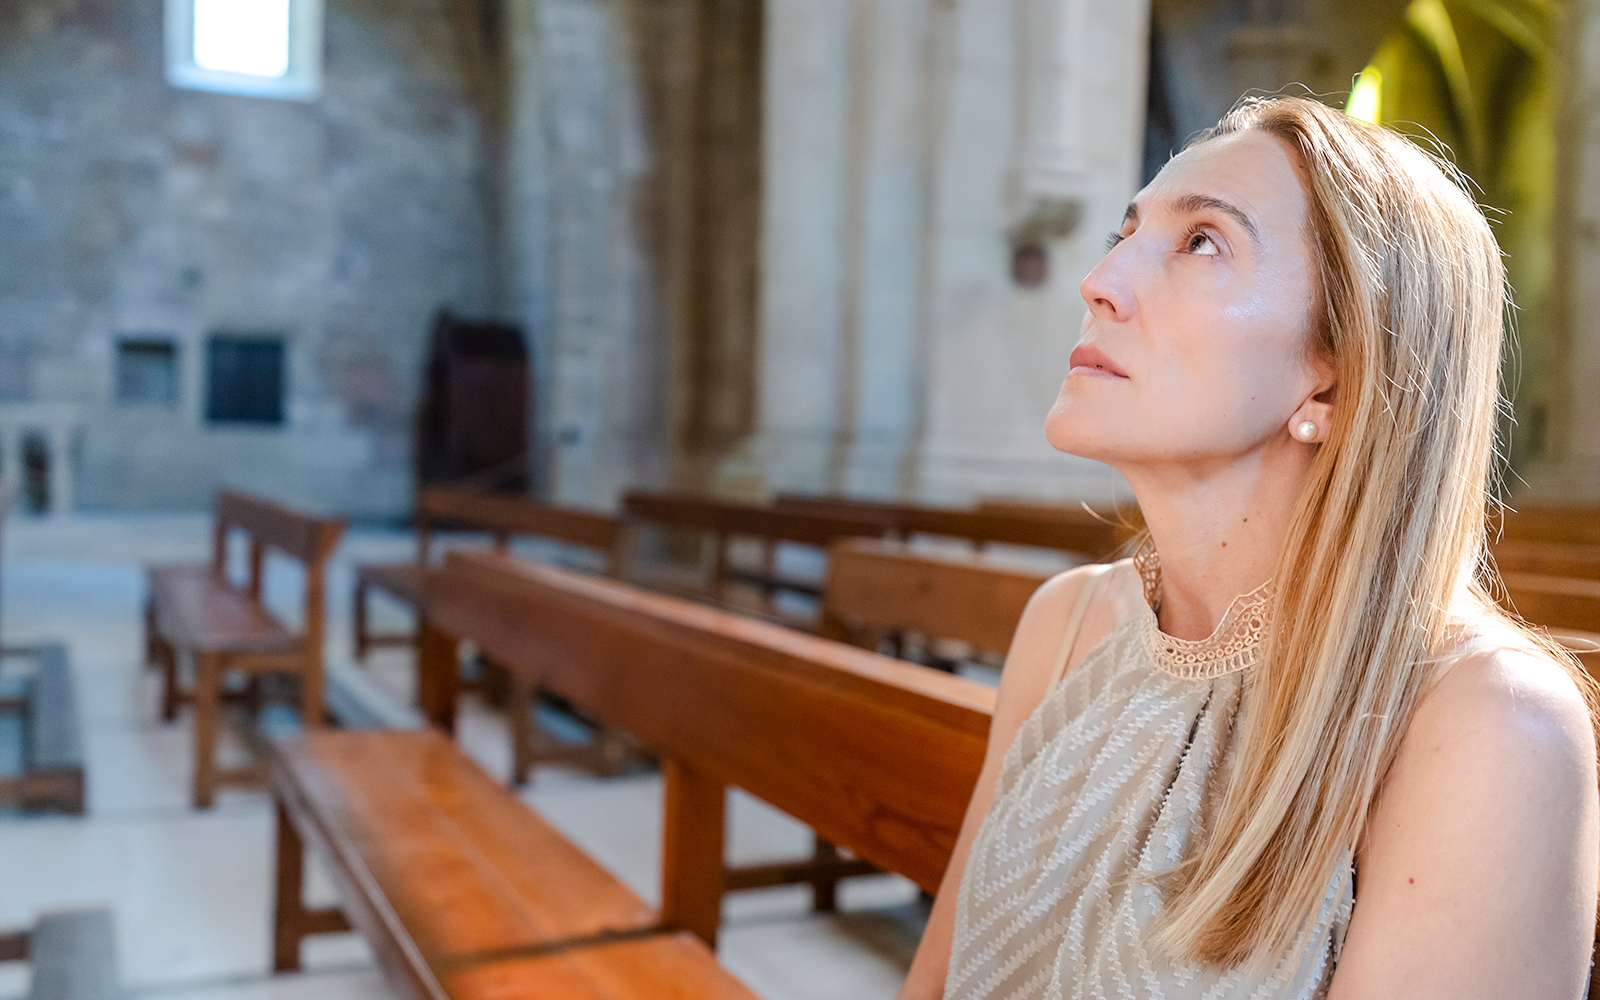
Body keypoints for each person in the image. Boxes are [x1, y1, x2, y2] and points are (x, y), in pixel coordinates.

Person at [898, 95, 1600, 999]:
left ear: (1339, 375)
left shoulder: (1488, 727)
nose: (1101, 279)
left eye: (1202, 242)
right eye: (1128, 230)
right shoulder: (1066, 625)